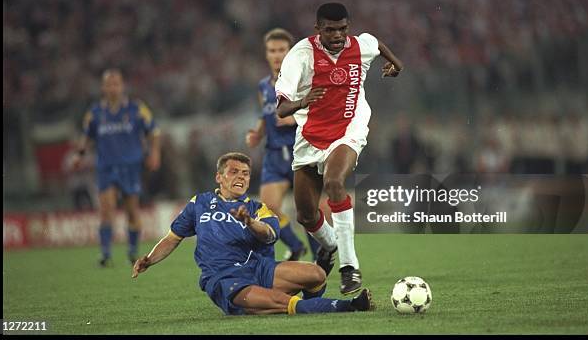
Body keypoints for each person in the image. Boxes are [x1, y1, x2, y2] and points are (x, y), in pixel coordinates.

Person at [131, 152, 374, 315]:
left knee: (317, 274)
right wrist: (149, 260)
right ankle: (349, 306)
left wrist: (249, 222)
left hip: (258, 269)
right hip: (224, 279)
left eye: (245, 173)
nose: (240, 177)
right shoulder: (199, 203)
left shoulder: (258, 208)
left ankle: (307, 305)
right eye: (233, 172)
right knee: (282, 302)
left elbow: (269, 235)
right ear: (219, 177)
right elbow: (173, 237)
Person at [275, 3, 404, 295]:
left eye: (342, 29)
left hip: (349, 128)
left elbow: (378, 44)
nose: (337, 35)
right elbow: (282, 109)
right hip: (310, 136)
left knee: (334, 182)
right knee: (306, 216)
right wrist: (303, 101)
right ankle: (331, 245)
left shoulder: (360, 46)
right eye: (330, 29)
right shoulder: (300, 56)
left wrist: (397, 65)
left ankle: (350, 267)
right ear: (317, 28)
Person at [72, 69, 161, 266]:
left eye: (116, 83)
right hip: (106, 167)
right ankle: (105, 255)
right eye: (109, 84)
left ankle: (132, 252)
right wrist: (79, 155)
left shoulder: (136, 109)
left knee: (132, 212)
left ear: (122, 86)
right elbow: (86, 135)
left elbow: (153, 131)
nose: (113, 87)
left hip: (131, 166)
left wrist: (154, 153)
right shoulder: (95, 113)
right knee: (106, 209)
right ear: (103, 88)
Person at [245, 28, 320, 261]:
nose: (276, 55)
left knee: (307, 211)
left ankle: (321, 259)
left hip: (301, 151)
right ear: (266, 54)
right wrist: (258, 132)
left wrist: (293, 117)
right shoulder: (263, 87)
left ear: (291, 52)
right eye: (272, 50)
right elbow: (265, 114)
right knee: (268, 206)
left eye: (281, 50)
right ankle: (295, 246)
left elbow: (319, 112)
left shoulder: (303, 81)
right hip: (275, 154)